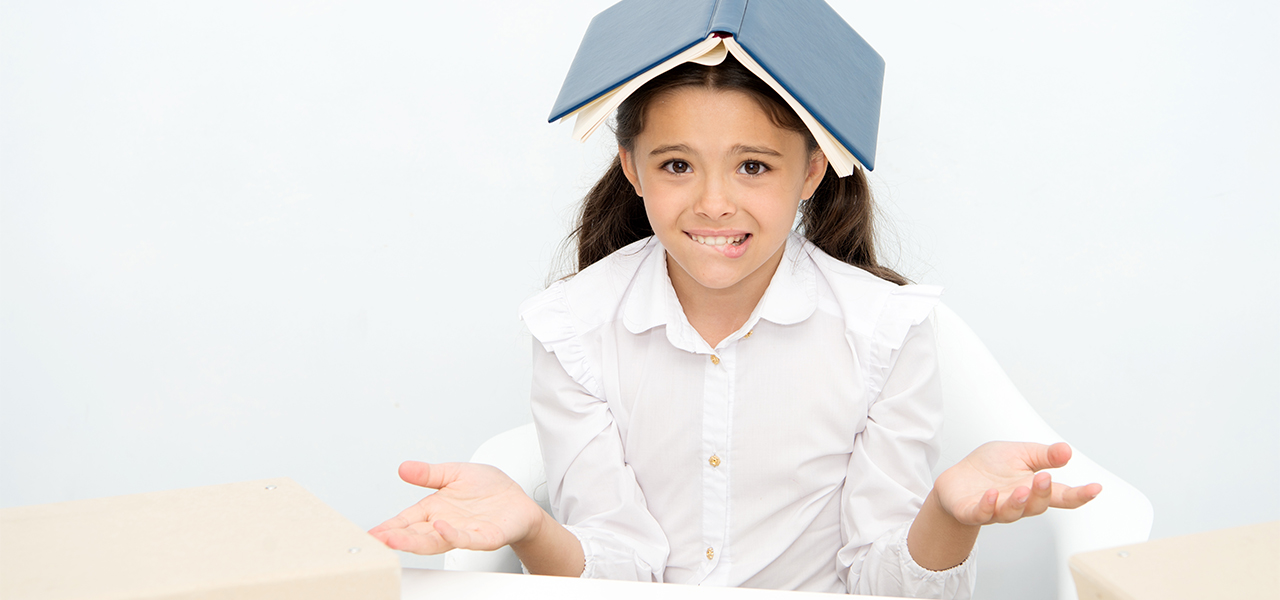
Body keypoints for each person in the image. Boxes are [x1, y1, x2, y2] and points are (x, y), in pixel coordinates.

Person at [370, 52, 1101, 600]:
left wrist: (947, 511)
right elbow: (618, 570)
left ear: (812, 171)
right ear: (632, 167)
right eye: (678, 165)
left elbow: (883, 586)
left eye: (753, 166)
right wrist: (535, 527)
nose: (714, 203)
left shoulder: (885, 330)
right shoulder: (573, 327)